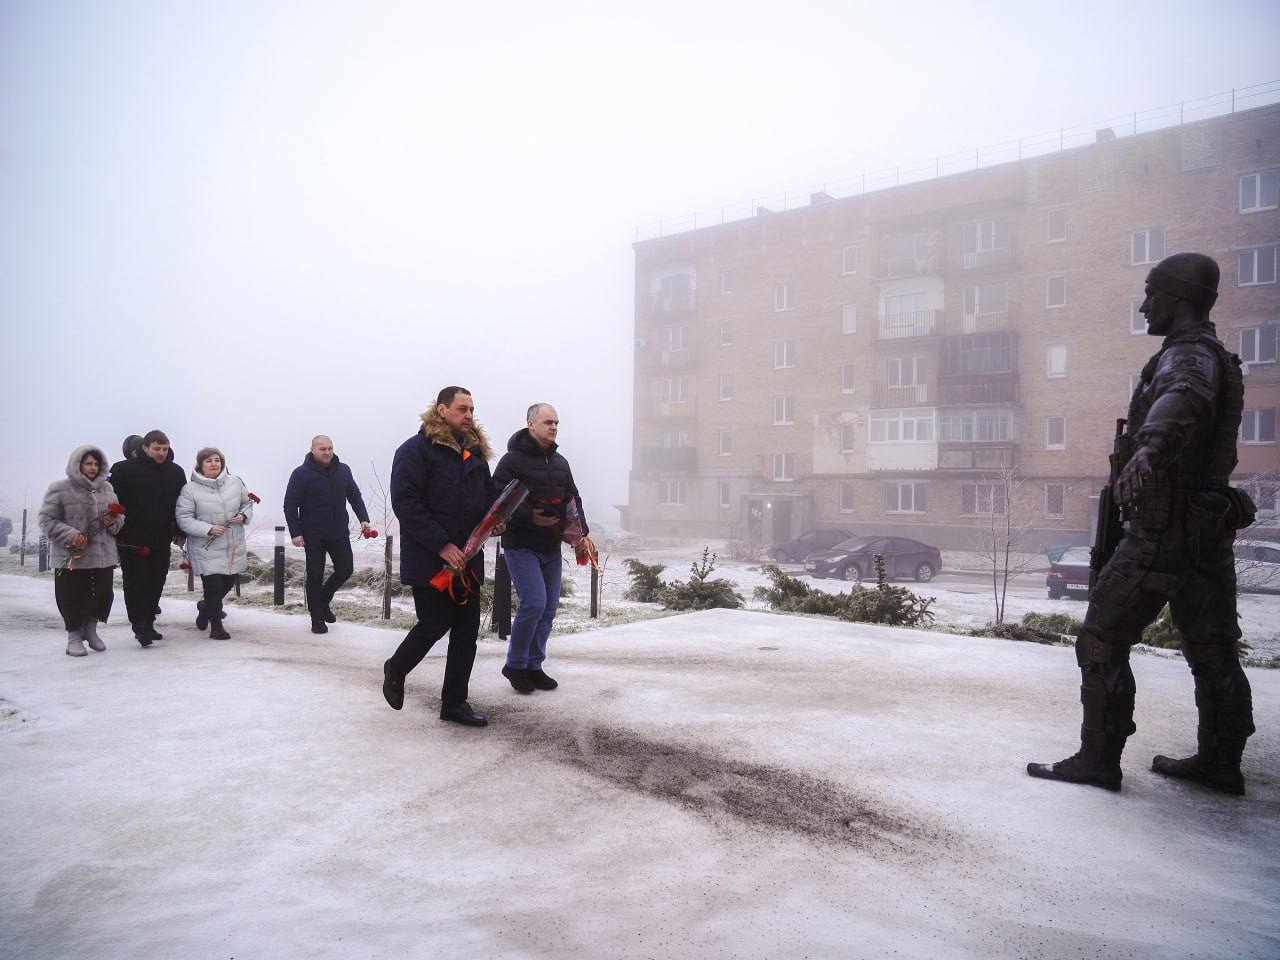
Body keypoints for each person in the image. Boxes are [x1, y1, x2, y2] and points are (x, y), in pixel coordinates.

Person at [1028, 253, 1256, 795]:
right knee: (1213, 649)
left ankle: (1098, 760)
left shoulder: (1189, 356)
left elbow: (1182, 399)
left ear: (1178, 297)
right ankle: (1220, 762)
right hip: (1204, 530)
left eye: (1151, 293)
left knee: (1102, 637)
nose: (1144, 304)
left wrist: (1149, 449)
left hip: (1163, 530)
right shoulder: (1215, 356)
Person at [383, 386, 497, 727]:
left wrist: (496, 522)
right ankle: (396, 668)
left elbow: (486, 501)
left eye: (472, 409)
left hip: (469, 559)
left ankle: (454, 703)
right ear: (441, 409)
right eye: (462, 409)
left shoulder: (475, 455)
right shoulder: (414, 451)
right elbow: (407, 505)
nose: (469, 416)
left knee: (466, 632)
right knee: (434, 624)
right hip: (431, 558)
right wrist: (442, 544)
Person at [492, 403, 592, 694]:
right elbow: (496, 499)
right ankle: (515, 665)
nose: (553, 427)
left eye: (556, 423)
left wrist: (581, 534)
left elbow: (573, 498)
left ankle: (534, 666)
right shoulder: (511, 461)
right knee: (534, 602)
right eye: (548, 422)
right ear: (530, 424)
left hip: (550, 546)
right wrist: (529, 516)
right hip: (520, 545)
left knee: (548, 608)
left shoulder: (560, 462)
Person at [39, 446, 124, 656]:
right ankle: (74, 636)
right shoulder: (60, 489)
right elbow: (46, 520)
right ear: (77, 465)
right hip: (73, 557)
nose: (92, 468)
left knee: (102, 593)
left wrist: (113, 520)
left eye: (96, 464)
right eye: (88, 463)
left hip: (103, 555)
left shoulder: (107, 489)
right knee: (72, 595)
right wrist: (71, 535)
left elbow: (119, 520)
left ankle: (91, 630)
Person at [283, 435, 371, 635]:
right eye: (322, 449)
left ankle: (323, 601)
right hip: (313, 534)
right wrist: (295, 533)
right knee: (314, 575)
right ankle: (317, 619)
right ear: (313, 450)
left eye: (330, 448)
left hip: (339, 531)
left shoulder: (344, 470)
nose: (327, 452)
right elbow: (290, 505)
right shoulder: (301, 474)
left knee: (346, 569)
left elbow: (354, 496)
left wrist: (363, 518)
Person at [109, 429, 187, 646]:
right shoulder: (123, 470)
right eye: (156, 449)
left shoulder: (175, 472)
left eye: (165, 448)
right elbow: (114, 503)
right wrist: (115, 531)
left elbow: (180, 506)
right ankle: (139, 625)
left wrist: (179, 532)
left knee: (156, 580)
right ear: (144, 448)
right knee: (136, 582)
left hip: (161, 536)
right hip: (131, 537)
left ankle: (149, 621)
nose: (161, 453)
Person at [175, 447, 255, 640]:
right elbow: (183, 517)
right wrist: (207, 529)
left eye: (217, 460)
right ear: (200, 465)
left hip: (232, 545)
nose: (213, 464)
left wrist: (243, 515)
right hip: (205, 546)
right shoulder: (190, 489)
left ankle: (205, 608)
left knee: (226, 582)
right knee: (212, 586)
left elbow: (247, 503)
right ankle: (216, 627)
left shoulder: (235, 482)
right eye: (209, 461)